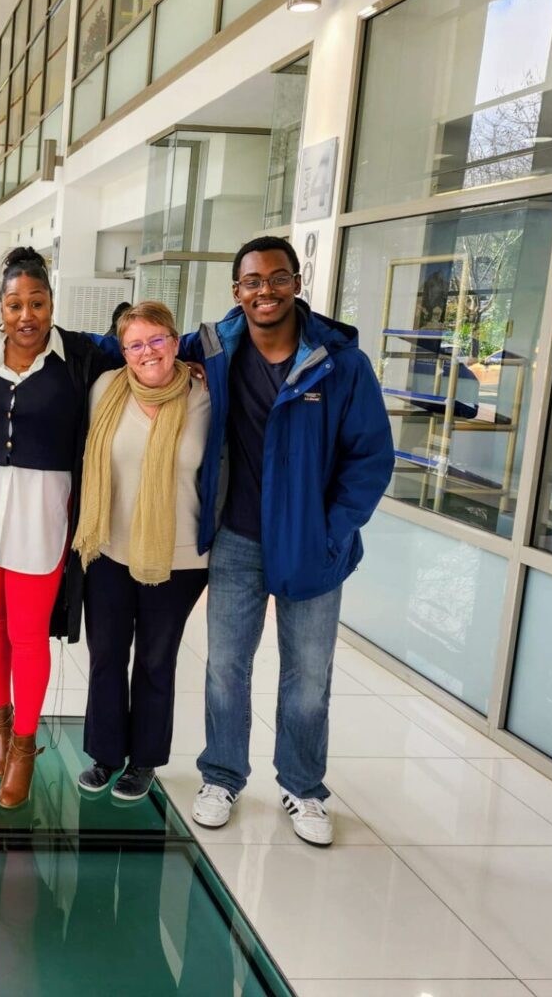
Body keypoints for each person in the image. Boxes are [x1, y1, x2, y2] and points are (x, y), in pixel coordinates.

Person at [181, 235, 393, 846]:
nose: (264, 291)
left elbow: (370, 459)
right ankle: (221, 776)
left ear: (296, 282)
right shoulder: (217, 347)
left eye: (277, 278)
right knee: (225, 667)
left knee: (307, 675)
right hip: (237, 541)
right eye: (252, 281)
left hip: (311, 544)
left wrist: (333, 532)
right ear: (236, 291)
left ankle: (303, 788)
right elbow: (149, 347)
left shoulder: (339, 362)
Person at [0, 247, 111, 809]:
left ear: (52, 303)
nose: (27, 315)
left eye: (37, 303)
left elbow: (147, 348)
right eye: (15, 303)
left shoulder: (82, 357)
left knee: (27, 634)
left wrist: (186, 360)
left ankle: (24, 745)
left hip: (42, 518)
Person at [72, 301, 214, 802]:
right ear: (123, 350)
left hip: (178, 559)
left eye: (157, 340)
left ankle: (145, 761)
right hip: (109, 549)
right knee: (107, 654)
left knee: (156, 660)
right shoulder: (105, 389)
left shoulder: (205, 395)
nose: (147, 352)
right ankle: (105, 754)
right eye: (135, 343)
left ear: (177, 343)